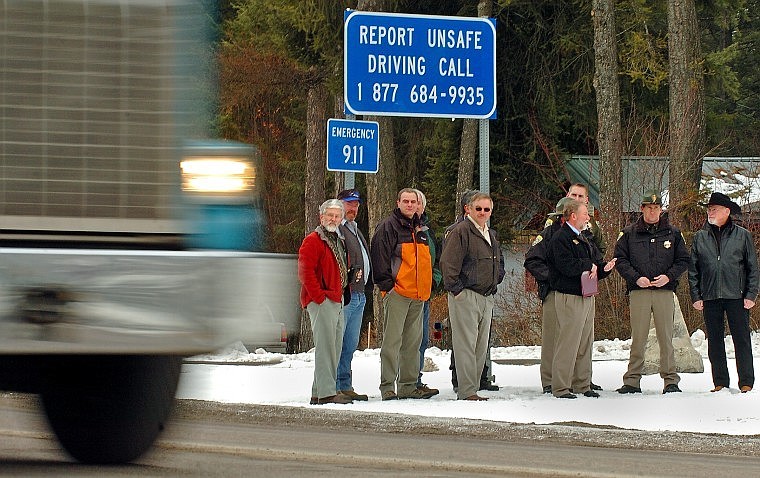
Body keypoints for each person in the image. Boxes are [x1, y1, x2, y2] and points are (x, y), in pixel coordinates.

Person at [614, 191, 689, 395]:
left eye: (656, 208)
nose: (653, 211)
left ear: (661, 210)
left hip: (664, 291)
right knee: (639, 337)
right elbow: (620, 259)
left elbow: (683, 260)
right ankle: (632, 380)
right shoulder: (629, 233)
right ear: (642, 209)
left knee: (666, 337)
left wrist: (669, 277)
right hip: (640, 291)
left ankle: (670, 380)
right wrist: (635, 277)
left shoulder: (672, 233)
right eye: (649, 207)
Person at [689, 192, 759, 393]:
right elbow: (694, 269)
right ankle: (720, 382)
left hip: (737, 296)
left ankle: (746, 382)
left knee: (742, 340)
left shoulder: (742, 235)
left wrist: (751, 294)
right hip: (710, 296)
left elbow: (752, 268)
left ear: (726, 211)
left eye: (714, 209)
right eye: (709, 209)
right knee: (715, 342)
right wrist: (696, 295)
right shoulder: (700, 237)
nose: (710, 212)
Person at [371, 188, 436, 400]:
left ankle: (408, 385)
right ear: (398, 202)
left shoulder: (421, 228)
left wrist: (428, 287)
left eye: (413, 202)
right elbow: (379, 258)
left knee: (412, 343)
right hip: (398, 293)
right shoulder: (388, 226)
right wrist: (388, 286)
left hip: (418, 295)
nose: (410, 205)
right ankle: (388, 386)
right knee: (392, 342)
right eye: (406, 201)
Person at [440, 192, 506, 400]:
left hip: (486, 296)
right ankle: (467, 391)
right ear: (468, 209)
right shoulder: (461, 231)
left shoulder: (490, 233)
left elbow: (499, 261)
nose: (483, 213)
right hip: (466, 294)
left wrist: (496, 280)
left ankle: (473, 388)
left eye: (487, 209)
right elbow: (448, 264)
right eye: (479, 209)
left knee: (480, 345)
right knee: (465, 344)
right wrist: (457, 291)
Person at [548, 199, 616, 399]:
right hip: (570, 296)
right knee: (568, 341)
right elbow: (566, 266)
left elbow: (594, 263)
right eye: (585, 213)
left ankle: (582, 383)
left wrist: (604, 268)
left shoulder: (584, 237)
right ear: (573, 216)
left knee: (585, 342)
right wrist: (588, 265)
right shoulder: (561, 238)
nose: (588, 217)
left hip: (587, 295)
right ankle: (561, 386)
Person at [298, 199, 353, 405]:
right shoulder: (313, 240)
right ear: (321, 217)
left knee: (334, 346)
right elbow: (305, 272)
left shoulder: (337, 239)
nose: (333, 219)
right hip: (322, 301)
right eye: (329, 215)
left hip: (336, 299)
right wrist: (319, 297)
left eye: (337, 216)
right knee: (326, 347)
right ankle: (327, 393)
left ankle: (318, 392)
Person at [524, 197, 574, 394]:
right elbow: (532, 260)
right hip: (553, 292)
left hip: (574, 293)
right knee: (552, 337)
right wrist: (551, 277)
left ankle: (569, 379)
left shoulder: (580, 234)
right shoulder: (548, 235)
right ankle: (549, 380)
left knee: (571, 339)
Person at [566, 183, 604, 391]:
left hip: (587, 284)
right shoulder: (556, 220)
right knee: (567, 338)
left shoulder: (592, 225)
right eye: (574, 194)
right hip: (564, 288)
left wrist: (597, 266)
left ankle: (583, 379)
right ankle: (562, 380)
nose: (577, 198)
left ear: (587, 200)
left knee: (585, 338)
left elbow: (600, 247)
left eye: (581, 196)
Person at [335, 189, 371, 401]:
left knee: (350, 344)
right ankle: (334, 386)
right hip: (346, 295)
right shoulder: (337, 230)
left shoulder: (354, 229)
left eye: (356, 204)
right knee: (338, 342)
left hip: (360, 293)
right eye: (349, 203)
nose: (353, 208)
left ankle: (345, 385)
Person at [412, 189, 441, 397]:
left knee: (422, 339)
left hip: (425, 293)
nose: (415, 206)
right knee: (407, 339)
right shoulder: (396, 227)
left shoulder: (428, 231)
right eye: (410, 202)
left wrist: (434, 280)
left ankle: (416, 378)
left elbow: (437, 260)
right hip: (405, 293)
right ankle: (404, 379)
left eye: (418, 203)